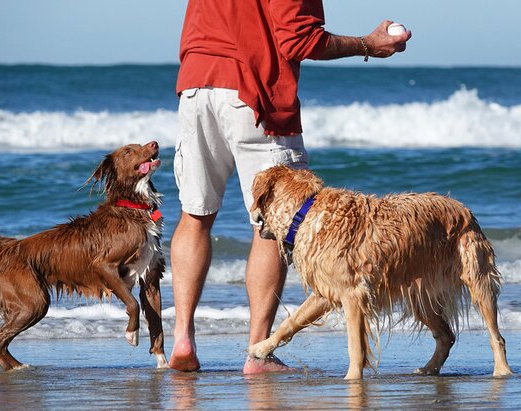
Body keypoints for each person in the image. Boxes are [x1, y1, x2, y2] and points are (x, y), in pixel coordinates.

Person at [169, 0, 411, 374]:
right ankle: (258, 353)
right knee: (271, 225)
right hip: (254, 93)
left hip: (196, 85)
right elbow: (299, 40)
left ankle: (183, 337)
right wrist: (368, 45)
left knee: (195, 215)